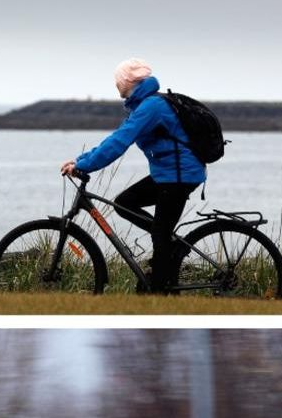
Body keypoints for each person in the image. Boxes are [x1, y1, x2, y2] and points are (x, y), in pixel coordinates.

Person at [60, 58, 205, 292]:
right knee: (124, 203)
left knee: (159, 234)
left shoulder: (151, 107)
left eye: (117, 80)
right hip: (167, 175)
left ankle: (158, 292)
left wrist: (84, 166)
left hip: (179, 177)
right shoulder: (142, 105)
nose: (116, 85)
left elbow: (120, 142)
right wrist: (80, 161)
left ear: (128, 81)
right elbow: (116, 137)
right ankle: (169, 243)